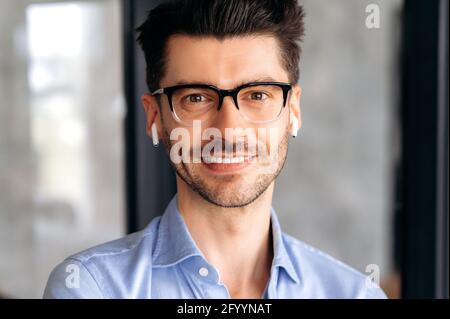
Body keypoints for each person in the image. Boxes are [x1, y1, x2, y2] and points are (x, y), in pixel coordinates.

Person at [44, 0, 387, 299]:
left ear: (293, 111)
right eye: (196, 98)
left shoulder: (356, 294)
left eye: (257, 95)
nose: (228, 130)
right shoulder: (91, 290)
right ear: (154, 117)